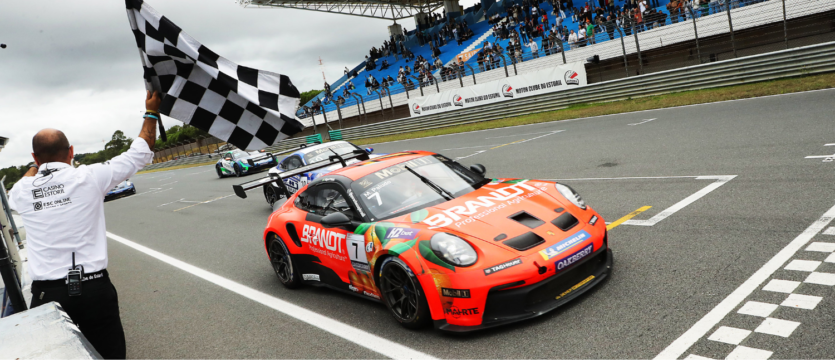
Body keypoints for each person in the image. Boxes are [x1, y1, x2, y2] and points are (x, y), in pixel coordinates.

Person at [10, 91, 160, 359]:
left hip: (47, 293)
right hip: (93, 289)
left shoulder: (21, 191)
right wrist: (151, 110)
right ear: (71, 152)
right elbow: (142, 148)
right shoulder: (90, 176)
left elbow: (25, 180)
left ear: (35, 158)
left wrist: (37, 169)